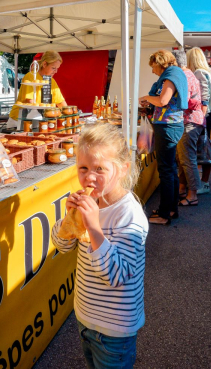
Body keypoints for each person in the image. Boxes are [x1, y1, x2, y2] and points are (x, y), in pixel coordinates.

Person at [51, 123, 147, 369]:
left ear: (123, 169)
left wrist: (94, 228)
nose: (89, 177)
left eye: (99, 169)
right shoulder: (89, 204)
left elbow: (116, 276)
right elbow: (62, 246)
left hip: (115, 329)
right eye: (83, 168)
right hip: (85, 318)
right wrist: (68, 220)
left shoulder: (129, 214)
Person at [140, 50, 187, 224]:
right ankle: (169, 209)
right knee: (170, 170)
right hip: (169, 126)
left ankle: (164, 214)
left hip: (168, 126)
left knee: (166, 171)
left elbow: (163, 101)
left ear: (160, 63)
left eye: (153, 67)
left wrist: (146, 97)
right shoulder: (174, 74)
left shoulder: (171, 74)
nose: (153, 71)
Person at [172, 50, 205, 210]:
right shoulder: (189, 74)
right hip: (193, 120)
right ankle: (183, 188)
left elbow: (183, 102)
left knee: (187, 159)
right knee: (183, 158)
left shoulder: (183, 76)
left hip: (189, 120)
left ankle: (192, 195)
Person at [8, 51, 67, 129]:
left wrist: (69, 115)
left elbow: (61, 103)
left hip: (40, 121)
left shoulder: (52, 81)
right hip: (20, 121)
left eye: (57, 68)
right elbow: (31, 102)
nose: (56, 71)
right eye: (53, 68)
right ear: (45, 64)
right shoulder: (31, 77)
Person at [187, 47, 211, 195]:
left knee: (202, 152)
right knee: (203, 151)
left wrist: (201, 118)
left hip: (202, 116)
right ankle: (203, 183)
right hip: (206, 116)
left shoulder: (199, 73)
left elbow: (204, 97)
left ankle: (203, 184)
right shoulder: (208, 72)